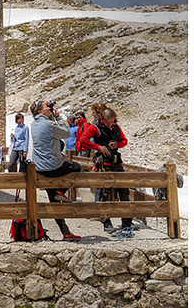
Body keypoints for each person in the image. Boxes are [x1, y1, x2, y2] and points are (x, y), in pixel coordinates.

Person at [30, 99, 81, 240]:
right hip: (52, 166)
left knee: (54, 201)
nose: (50, 108)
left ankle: (65, 232)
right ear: (40, 111)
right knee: (77, 167)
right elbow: (65, 134)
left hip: (39, 168)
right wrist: (58, 117)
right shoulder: (48, 123)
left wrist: (52, 115)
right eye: (47, 106)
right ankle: (61, 191)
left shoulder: (34, 124)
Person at [78, 106, 132, 234]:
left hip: (116, 163)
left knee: (124, 192)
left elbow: (124, 140)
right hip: (103, 164)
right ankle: (106, 223)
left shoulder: (116, 127)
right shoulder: (95, 127)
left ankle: (127, 223)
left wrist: (117, 145)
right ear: (102, 119)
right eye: (107, 122)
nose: (109, 125)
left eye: (111, 122)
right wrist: (99, 147)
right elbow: (83, 139)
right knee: (104, 194)